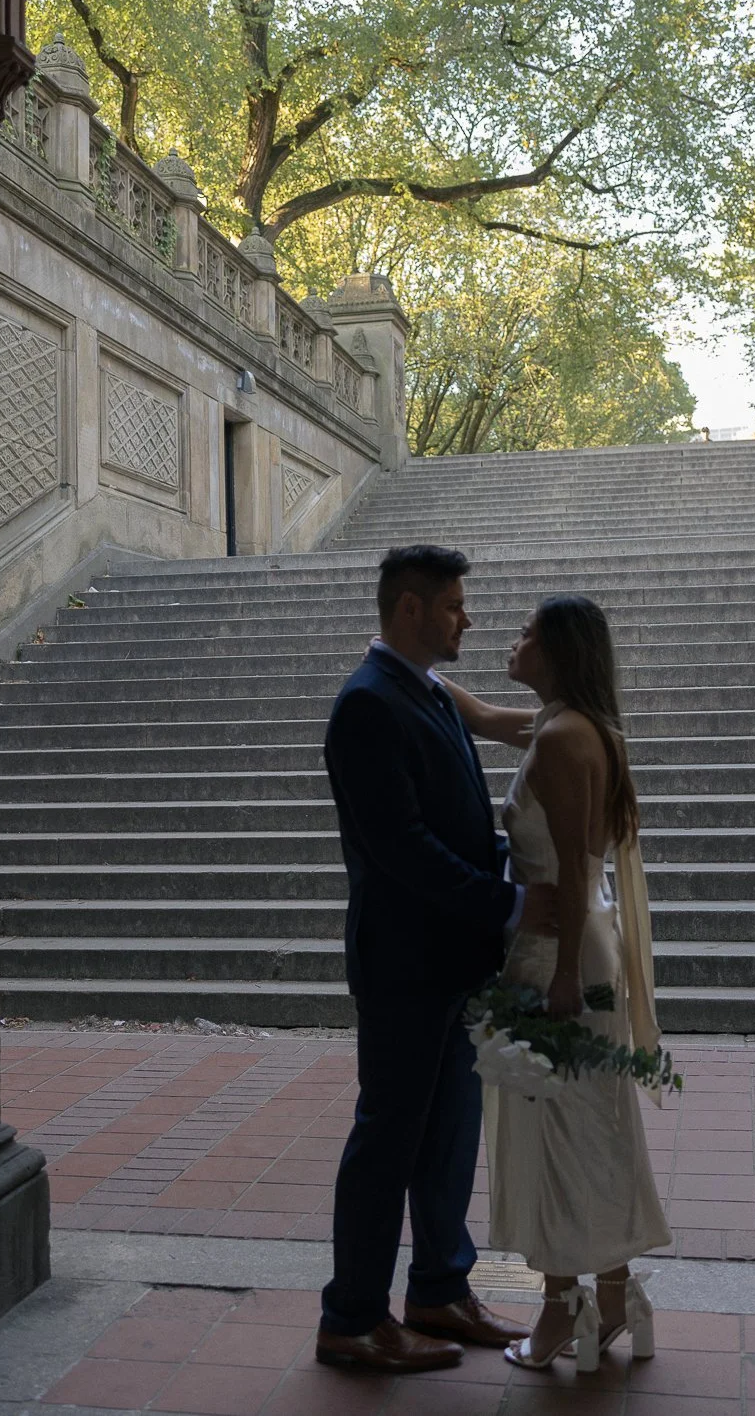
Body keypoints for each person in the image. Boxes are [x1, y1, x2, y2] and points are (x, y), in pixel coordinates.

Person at [316, 546, 558, 1374]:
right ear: (411, 608)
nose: (468, 617)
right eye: (455, 605)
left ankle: (439, 1290)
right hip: (403, 965)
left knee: (450, 1132)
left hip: (453, 961)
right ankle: (352, 1315)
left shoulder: (422, 690)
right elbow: (403, 851)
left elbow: (452, 821)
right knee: (390, 1136)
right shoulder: (366, 706)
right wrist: (514, 901)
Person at [441, 594, 672, 1373]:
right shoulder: (570, 725)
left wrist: (566, 973)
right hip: (574, 944)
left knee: (559, 1134)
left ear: (560, 651)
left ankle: (557, 1312)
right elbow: (475, 713)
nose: (514, 641)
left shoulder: (564, 738)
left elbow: (574, 863)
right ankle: (609, 1299)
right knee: (589, 1126)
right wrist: (403, 663)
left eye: (528, 635)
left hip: (562, 955)